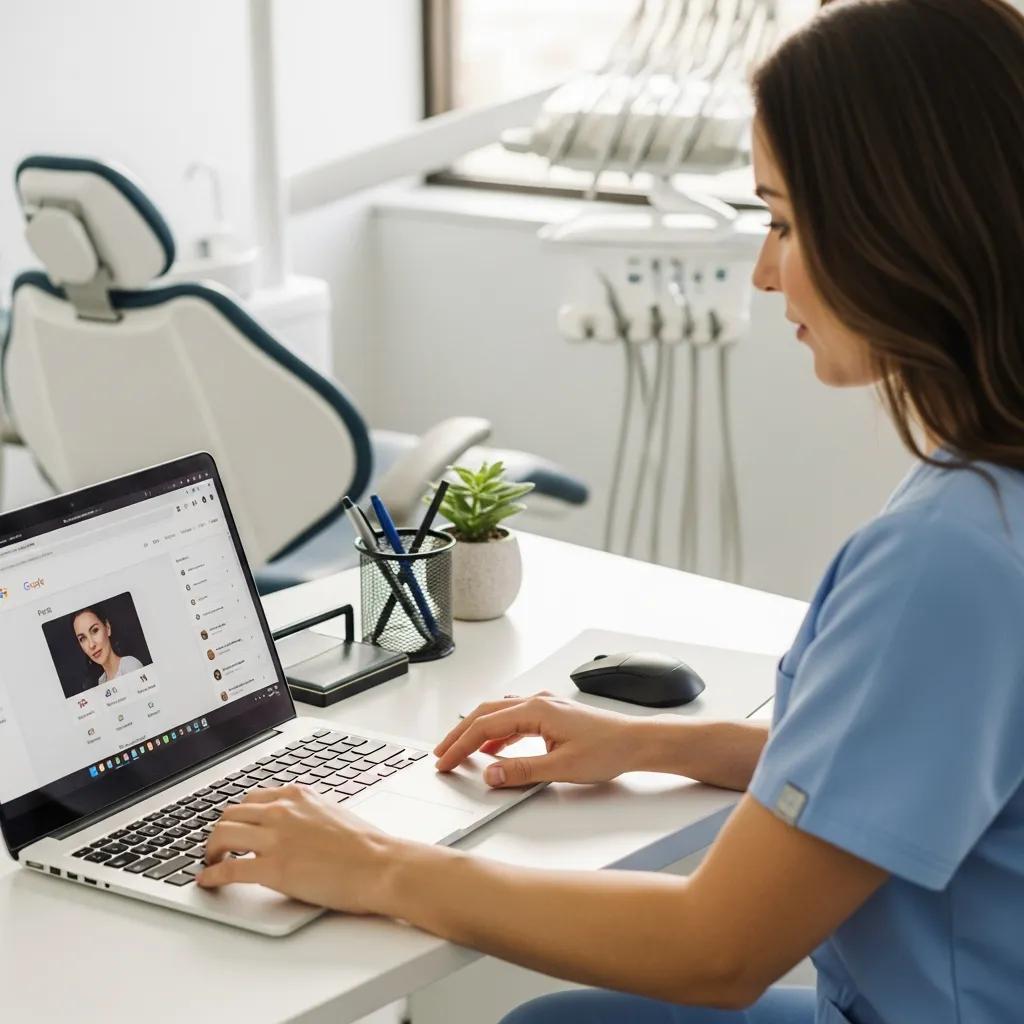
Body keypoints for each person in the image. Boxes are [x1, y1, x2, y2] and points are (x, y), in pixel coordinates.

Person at [197, 1, 1024, 1020]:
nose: (764, 274)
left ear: (900, 223)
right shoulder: (989, 490)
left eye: (781, 222)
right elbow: (907, 757)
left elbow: (715, 948)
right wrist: (659, 743)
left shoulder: (948, 556)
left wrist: (375, 865)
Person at [73, 607, 144, 686]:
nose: (91, 645)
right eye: (82, 638)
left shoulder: (130, 666)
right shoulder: (101, 681)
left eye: (95, 630)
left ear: (107, 628)